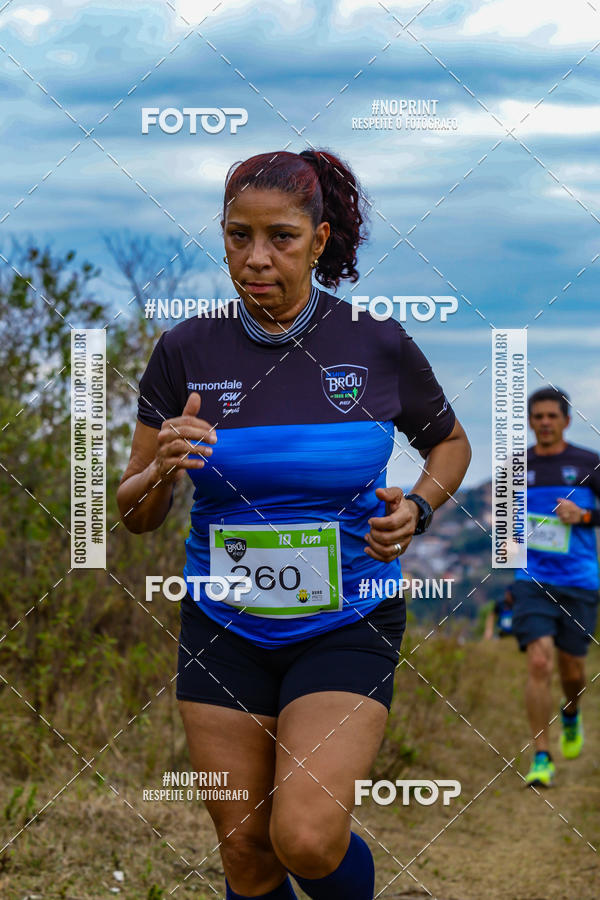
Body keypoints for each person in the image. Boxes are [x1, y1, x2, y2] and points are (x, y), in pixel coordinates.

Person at [117, 148, 471, 899]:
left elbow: (449, 441)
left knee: (305, 839)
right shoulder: (185, 350)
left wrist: (418, 505)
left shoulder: (374, 341)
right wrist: (161, 469)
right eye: (238, 235)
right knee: (246, 852)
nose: (255, 258)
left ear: (320, 239)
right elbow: (133, 513)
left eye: (280, 236)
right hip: (224, 625)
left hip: (348, 616)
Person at [512, 387, 600, 788]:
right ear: (530, 422)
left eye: (552, 416)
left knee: (572, 670)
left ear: (565, 420)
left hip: (579, 579)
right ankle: (541, 756)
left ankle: (571, 711)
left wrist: (582, 516)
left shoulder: (588, 463)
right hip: (532, 578)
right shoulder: (516, 467)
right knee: (539, 663)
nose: (544, 423)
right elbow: (506, 527)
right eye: (538, 416)